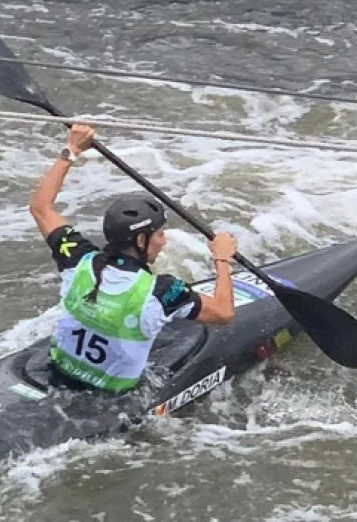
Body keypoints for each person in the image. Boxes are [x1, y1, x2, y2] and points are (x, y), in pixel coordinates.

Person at [28, 123, 239, 394]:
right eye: (159, 234)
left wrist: (71, 150)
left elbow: (40, 207)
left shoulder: (77, 259)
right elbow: (223, 313)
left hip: (58, 379)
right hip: (113, 400)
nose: (163, 242)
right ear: (141, 241)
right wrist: (222, 259)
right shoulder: (163, 292)